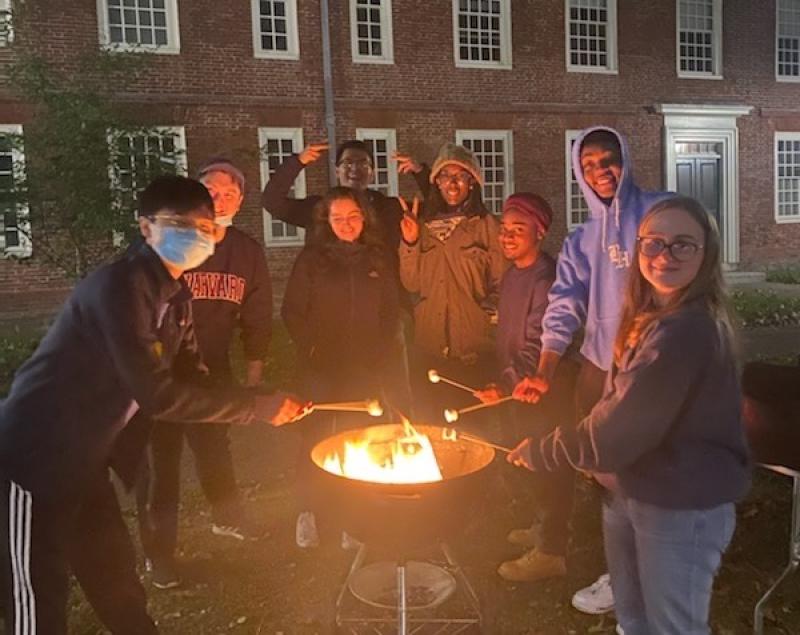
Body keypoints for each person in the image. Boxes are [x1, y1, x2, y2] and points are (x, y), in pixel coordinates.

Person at [0, 176, 305, 634]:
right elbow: (157, 394)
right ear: (146, 228)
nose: (195, 235)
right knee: (37, 597)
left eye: (204, 226)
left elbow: (194, 374)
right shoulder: (118, 288)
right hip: (32, 460)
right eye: (178, 224)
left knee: (115, 581)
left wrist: (258, 396)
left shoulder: (178, 299)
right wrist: (255, 410)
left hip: (87, 462)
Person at [508, 196, 750, 635]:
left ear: (707, 252)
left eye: (683, 245)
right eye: (653, 243)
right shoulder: (652, 314)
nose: (664, 255)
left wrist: (547, 449)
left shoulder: (686, 330)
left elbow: (618, 429)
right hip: (635, 487)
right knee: (633, 618)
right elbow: (619, 403)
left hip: (680, 503)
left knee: (673, 627)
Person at [513, 126, 672, 614]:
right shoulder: (582, 239)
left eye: (609, 160)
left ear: (626, 157)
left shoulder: (660, 214)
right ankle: (624, 569)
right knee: (605, 470)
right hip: (598, 367)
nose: (601, 172)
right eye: (588, 166)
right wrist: (545, 367)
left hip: (653, 371)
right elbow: (564, 304)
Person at [136, 159, 273, 590]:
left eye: (228, 192)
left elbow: (257, 310)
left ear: (240, 199)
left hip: (211, 367)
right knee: (163, 465)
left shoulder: (246, 251)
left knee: (215, 447)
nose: (219, 198)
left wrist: (253, 371)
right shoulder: (170, 247)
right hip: (159, 371)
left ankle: (228, 517)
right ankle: (159, 555)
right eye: (210, 190)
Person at [282, 187, 402, 548]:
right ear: (326, 221)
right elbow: (292, 311)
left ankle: (354, 519)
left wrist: (381, 353)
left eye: (353, 216)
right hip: (321, 365)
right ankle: (309, 513)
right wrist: (313, 347)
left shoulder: (378, 259)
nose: (346, 224)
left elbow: (390, 312)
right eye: (338, 218)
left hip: (364, 367)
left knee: (359, 438)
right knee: (313, 439)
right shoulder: (312, 260)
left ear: (364, 218)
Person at [472, 192, 577, 583]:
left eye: (519, 230)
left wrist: (506, 383)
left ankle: (551, 551)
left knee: (549, 462)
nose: (507, 237)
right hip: (518, 386)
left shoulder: (546, 277)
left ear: (540, 232)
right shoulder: (513, 272)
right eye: (504, 229)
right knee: (531, 462)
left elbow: (539, 342)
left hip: (543, 389)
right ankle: (543, 529)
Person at [399, 142, 506, 422]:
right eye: (445, 176)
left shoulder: (488, 226)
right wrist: (409, 242)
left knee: (474, 435)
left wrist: (485, 319)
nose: (453, 183)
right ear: (436, 182)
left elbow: (502, 282)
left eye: (461, 176)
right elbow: (411, 283)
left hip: (474, 353)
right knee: (430, 431)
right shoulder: (421, 226)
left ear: (473, 182)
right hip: (430, 350)